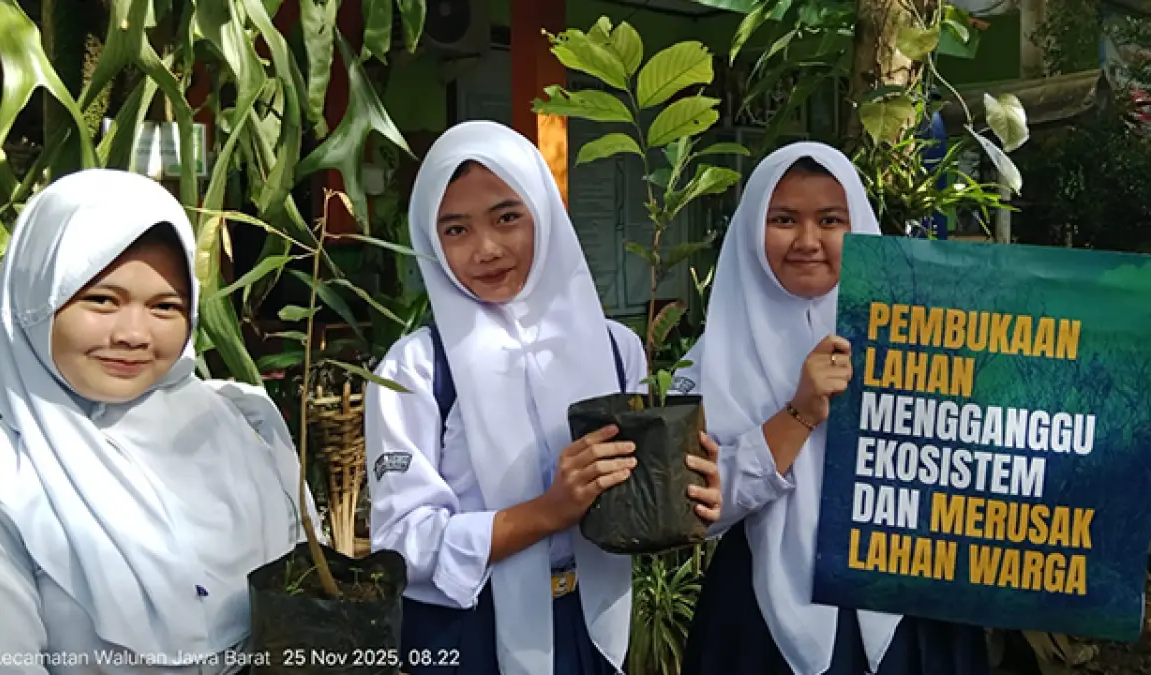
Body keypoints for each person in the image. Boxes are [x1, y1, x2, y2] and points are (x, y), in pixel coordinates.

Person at [364, 120, 723, 675]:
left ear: (545, 215)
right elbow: (401, 547)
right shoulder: (415, 369)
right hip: (465, 633)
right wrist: (546, 512)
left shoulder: (613, 347)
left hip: (592, 620)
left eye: (508, 217)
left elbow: (630, 498)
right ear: (430, 242)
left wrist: (683, 487)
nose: (486, 249)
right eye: (455, 230)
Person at [0, 169, 317, 674]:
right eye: (102, 300)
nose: (133, 334)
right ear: (35, 302)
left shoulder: (240, 428)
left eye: (165, 306)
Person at [675, 142, 991, 675]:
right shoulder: (712, 362)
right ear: (752, 229)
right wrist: (798, 413)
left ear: (858, 227)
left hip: (908, 596)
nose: (807, 241)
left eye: (830, 219)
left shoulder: (919, 338)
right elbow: (697, 509)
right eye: (783, 219)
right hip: (760, 614)